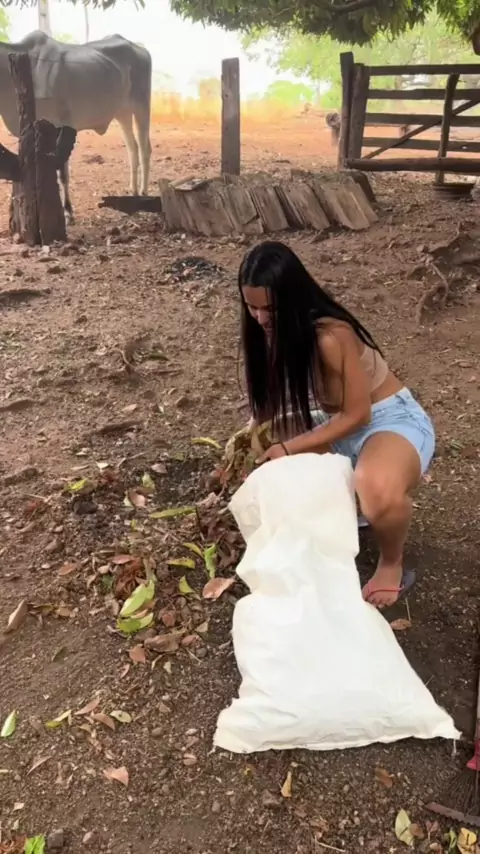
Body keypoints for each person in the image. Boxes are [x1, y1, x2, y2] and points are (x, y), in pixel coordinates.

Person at [238, 240, 435, 609]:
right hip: (336, 423)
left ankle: (391, 562)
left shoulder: (331, 336)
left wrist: (288, 448)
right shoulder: (269, 332)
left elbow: (359, 415)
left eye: (270, 308)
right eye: (252, 307)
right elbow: (268, 405)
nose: (261, 318)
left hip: (389, 421)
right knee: (267, 440)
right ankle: (354, 508)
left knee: (375, 486)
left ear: (293, 299)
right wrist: (249, 441)